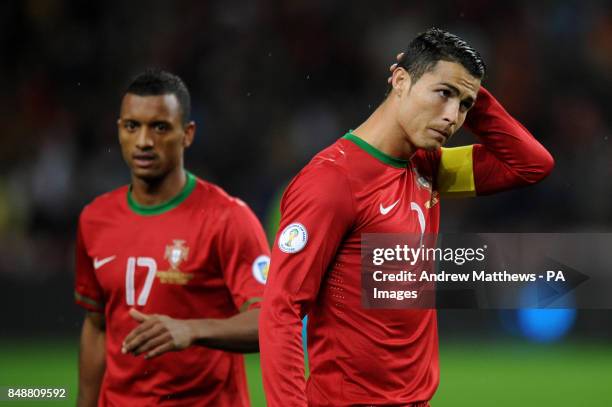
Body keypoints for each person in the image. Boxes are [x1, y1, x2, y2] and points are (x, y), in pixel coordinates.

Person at [259, 28, 554, 406]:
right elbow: (281, 309)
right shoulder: (334, 181)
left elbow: (531, 164)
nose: (452, 117)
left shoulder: (428, 165)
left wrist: (469, 91)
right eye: (443, 94)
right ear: (400, 80)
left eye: (464, 106)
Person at [74, 68, 270, 406]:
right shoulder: (95, 219)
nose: (144, 141)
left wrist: (192, 330)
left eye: (160, 127)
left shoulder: (228, 218)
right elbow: (96, 326)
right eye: (132, 126)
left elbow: (271, 321)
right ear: (119, 130)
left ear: (187, 134)